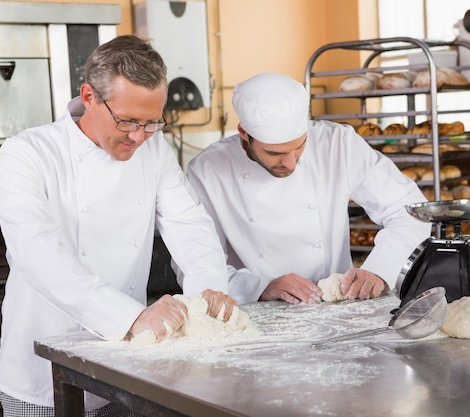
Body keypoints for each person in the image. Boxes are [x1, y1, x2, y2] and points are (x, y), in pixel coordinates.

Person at [0, 35, 236, 417]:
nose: (139, 136)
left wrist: (208, 289)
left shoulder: (155, 150)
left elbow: (188, 223)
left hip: (122, 369)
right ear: (88, 96)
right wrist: (131, 317)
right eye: (127, 121)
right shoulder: (28, 153)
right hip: (41, 372)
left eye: (152, 123)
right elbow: (35, 252)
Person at [181, 72, 432, 306]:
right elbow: (193, 263)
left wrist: (381, 268)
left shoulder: (338, 144)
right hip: (258, 313)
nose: (289, 163)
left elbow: (412, 212)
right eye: (274, 153)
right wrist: (259, 288)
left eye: (299, 147)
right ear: (244, 134)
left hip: (338, 306)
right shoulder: (208, 170)